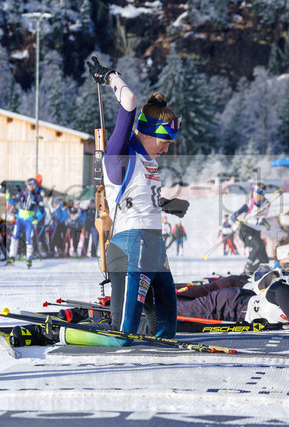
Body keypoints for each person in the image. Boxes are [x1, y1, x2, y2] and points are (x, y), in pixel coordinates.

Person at [11, 56, 191, 348]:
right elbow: (129, 101)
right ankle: (52, 332)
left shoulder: (149, 160)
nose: (167, 149)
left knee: (165, 331)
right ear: (146, 133)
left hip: (155, 246)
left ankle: (119, 322)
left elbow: (135, 198)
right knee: (121, 338)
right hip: (130, 245)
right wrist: (110, 76)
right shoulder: (119, 155)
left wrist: (166, 204)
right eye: (164, 142)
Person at [5, 178, 45, 268]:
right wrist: (9, 198)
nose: (30, 186)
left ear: (35, 186)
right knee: (15, 236)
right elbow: (14, 201)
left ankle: (29, 258)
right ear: (27, 185)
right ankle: (12, 256)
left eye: (32, 185)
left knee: (28, 239)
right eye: (29, 184)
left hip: (29, 221)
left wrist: (36, 218)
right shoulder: (22, 193)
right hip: (20, 219)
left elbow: (42, 211)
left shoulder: (38, 196)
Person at [231, 183, 271, 274]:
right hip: (246, 231)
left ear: (263, 195)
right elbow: (233, 217)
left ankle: (253, 270)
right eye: (254, 194)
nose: (256, 197)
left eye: (258, 195)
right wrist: (238, 222)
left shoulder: (267, 204)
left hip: (256, 232)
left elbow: (262, 218)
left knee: (265, 260)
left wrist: (265, 223)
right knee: (258, 245)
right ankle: (248, 266)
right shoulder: (249, 204)